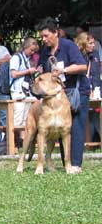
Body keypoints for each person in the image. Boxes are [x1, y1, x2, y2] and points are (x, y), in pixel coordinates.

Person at [36, 18, 88, 173]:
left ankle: (76, 164)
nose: (43, 40)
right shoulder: (45, 51)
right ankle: (67, 163)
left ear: (55, 33)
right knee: (61, 129)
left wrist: (64, 71)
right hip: (58, 95)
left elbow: (83, 66)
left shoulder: (68, 46)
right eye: (42, 37)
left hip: (77, 92)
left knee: (76, 127)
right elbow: (44, 70)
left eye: (46, 36)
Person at [9, 37, 39, 134]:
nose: (32, 52)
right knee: (18, 117)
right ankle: (14, 141)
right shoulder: (16, 58)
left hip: (26, 92)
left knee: (26, 117)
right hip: (17, 91)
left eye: (34, 51)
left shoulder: (28, 60)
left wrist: (36, 71)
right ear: (25, 47)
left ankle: (23, 141)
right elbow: (13, 74)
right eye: (31, 50)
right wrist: (28, 71)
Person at [75, 32, 101, 142]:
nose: (93, 45)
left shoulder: (94, 54)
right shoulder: (78, 55)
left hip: (95, 89)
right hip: (81, 90)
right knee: (83, 116)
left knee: (95, 115)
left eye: (93, 43)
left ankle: (92, 142)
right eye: (90, 43)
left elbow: (96, 73)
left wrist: (96, 88)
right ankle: (84, 142)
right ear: (84, 43)